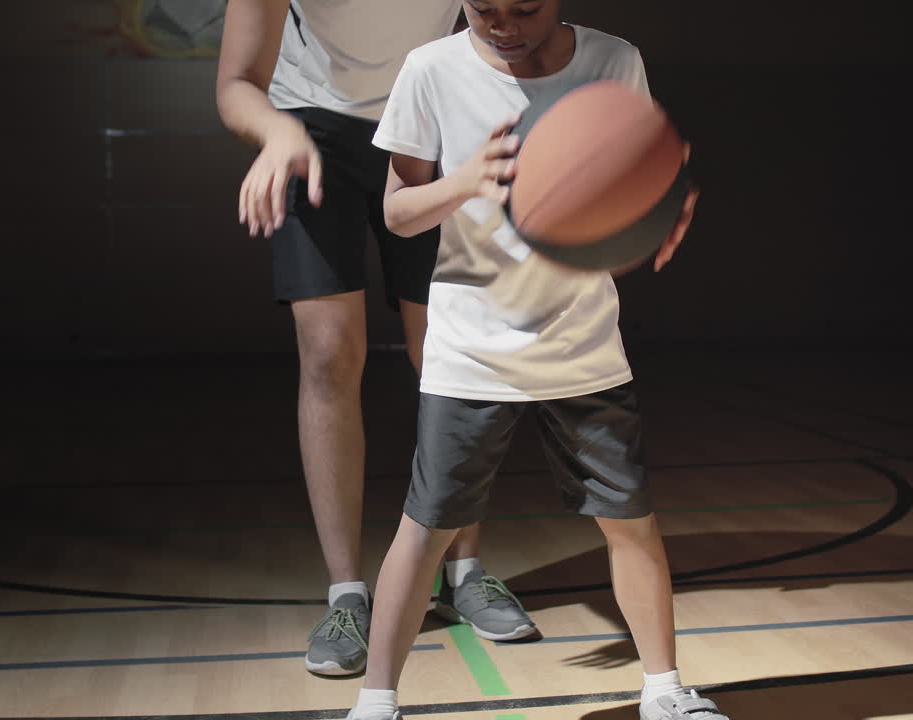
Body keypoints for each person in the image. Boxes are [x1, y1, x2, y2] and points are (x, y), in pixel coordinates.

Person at [346, 0, 724, 718]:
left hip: (582, 340)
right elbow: (397, 213)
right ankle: (375, 703)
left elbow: (642, 169)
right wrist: (466, 181)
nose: (503, 23)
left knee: (631, 522)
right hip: (472, 347)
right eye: (483, 7)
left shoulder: (614, 61)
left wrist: (662, 198)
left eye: (524, 7)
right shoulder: (431, 70)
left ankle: (665, 692)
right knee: (424, 532)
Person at [215, 0, 536, 678]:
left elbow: (508, 24)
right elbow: (237, 82)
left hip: (427, 123)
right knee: (329, 353)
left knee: (449, 352)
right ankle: (346, 595)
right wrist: (275, 132)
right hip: (310, 127)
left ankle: (464, 570)